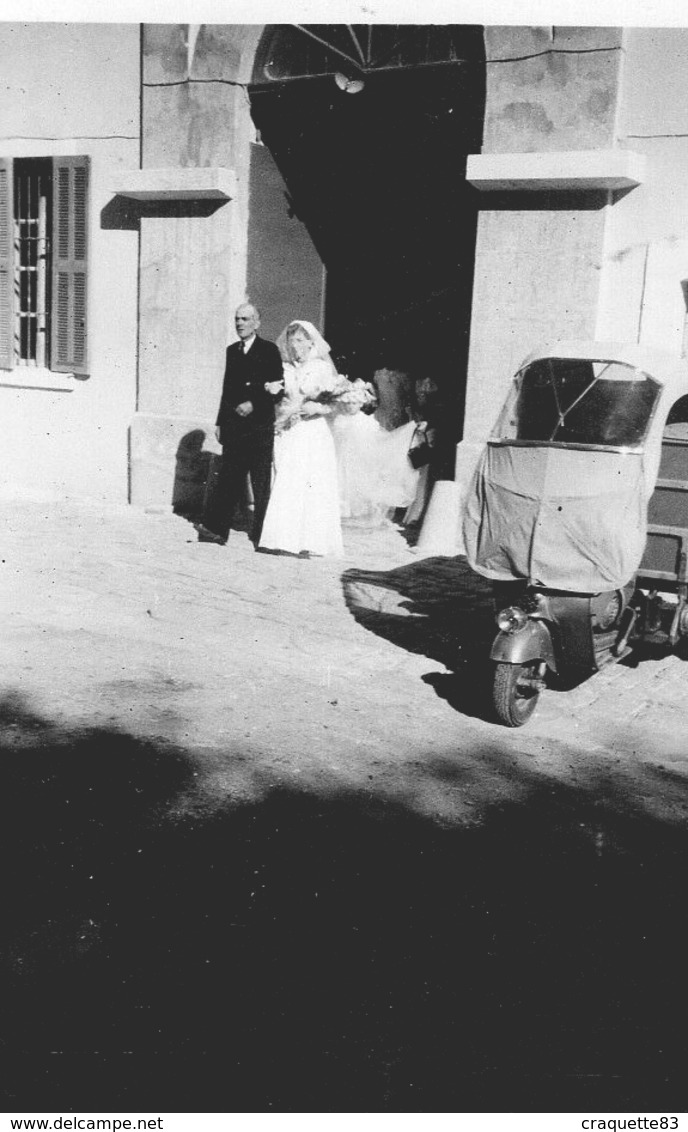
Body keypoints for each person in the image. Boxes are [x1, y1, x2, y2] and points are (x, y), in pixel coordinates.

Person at [197, 301, 284, 547]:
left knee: (260, 482)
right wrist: (220, 422)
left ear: (257, 323)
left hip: (259, 428)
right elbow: (227, 389)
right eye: (237, 319)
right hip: (234, 427)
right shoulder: (231, 350)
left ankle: (262, 536)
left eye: (245, 319)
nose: (239, 324)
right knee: (229, 479)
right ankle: (216, 531)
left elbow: (278, 389)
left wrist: (254, 404)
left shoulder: (269, 350)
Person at [258, 320, 344, 557]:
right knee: (288, 481)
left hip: (314, 432)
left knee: (311, 484)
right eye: (291, 340)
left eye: (299, 340)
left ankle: (311, 541)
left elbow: (337, 403)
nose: (294, 346)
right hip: (290, 430)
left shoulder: (322, 368)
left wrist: (318, 409)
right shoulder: (284, 369)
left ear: (310, 342)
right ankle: (283, 539)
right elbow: (279, 400)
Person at [330, 364, 422, 526]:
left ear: (361, 404)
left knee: (361, 480)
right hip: (342, 457)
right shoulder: (340, 420)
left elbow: (374, 440)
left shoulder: (365, 421)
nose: (350, 406)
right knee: (341, 479)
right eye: (348, 403)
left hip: (360, 457)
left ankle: (360, 512)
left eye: (354, 403)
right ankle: (343, 511)